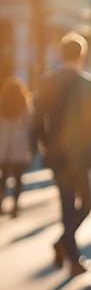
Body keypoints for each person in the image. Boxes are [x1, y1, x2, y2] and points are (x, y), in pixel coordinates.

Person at [31, 32, 91, 277]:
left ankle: (65, 246)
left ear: (61, 54)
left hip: (57, 155)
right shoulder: (87, 84)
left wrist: (44, 144)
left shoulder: (47, 82)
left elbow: (37, 119)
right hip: (81, 155)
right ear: (82, 55)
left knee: (67, 205)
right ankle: (71, 256)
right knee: (85, 204)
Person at [0, 76, 33, 218]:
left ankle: (1, 201)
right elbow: (30, 122)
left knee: (3, 176)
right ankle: (15, 205)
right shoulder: (24, 103)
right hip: (19, 147)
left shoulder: (2, 104)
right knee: (18, 178)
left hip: (3, 146)